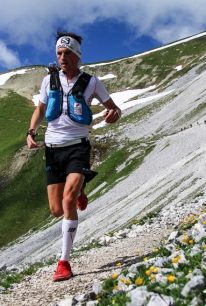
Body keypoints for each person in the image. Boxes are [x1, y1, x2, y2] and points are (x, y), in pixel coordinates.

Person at [26, 31, 121, 282]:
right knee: (57, 210)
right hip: (52, 149)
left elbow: (113, 108)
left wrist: (114, 114)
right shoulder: (49, 81)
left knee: (68, 202)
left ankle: (64, 262)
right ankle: (79, 190)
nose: (62, 57)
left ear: (77, 55)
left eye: (67, 53)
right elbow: (41, 109)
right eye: (59, 53)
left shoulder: (92, 82)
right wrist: (31, 131)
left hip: (78, 147)